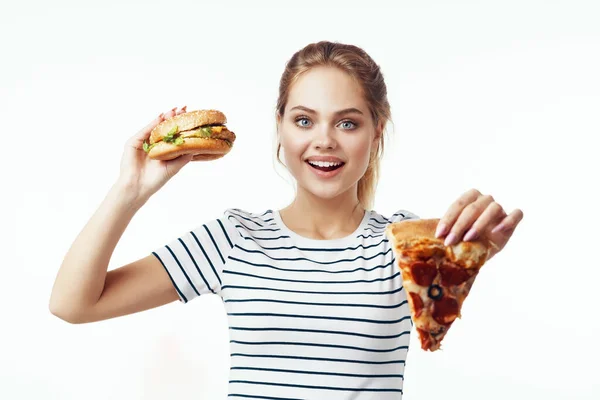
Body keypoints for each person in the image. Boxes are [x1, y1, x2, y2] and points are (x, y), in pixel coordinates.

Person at [50, 41, 523, 399]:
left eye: (347, 122)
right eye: (303, 120)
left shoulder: (405, 244)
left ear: (377, 132)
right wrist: (129, 191)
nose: (324, 141)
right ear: (279, 125)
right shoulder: (234, 239)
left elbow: (440, 317)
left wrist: (475, 248)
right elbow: (73, 304)